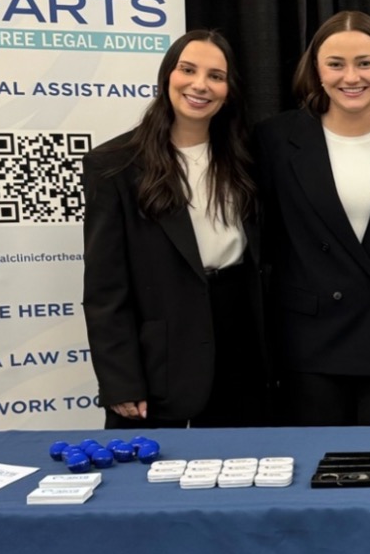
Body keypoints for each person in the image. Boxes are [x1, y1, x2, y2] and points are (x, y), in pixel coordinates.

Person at [253, 11, 370, 425]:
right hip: (310, 336)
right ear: (316, 70)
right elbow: (265, 238)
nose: (351, 77)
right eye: (336, 64)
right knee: (318, 462)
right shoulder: (275, 139)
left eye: (365, 63)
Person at [82, 28, 268, 429]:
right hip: (161, 358)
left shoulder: (249, 158)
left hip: (242, 350)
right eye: (188, 70)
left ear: (229, 90)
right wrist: (120, 381)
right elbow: (104, 290)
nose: (200, 85)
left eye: (216, 76)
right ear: (167, 76)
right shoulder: (114, 165)